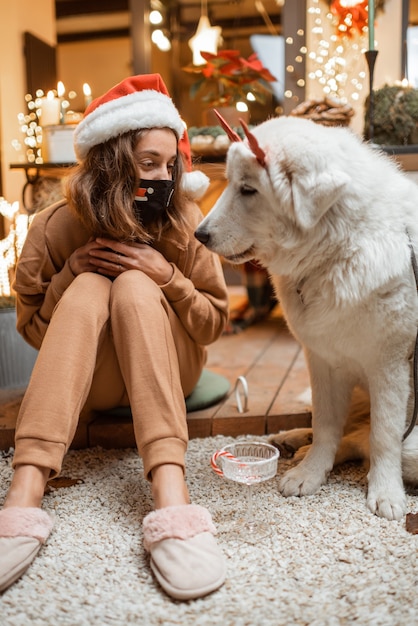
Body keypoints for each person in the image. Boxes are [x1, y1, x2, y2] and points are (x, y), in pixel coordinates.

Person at [0, 74, 229, 601]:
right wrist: (69, 273)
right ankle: (25, 490)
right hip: (95, 383)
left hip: (174, 366)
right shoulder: (56, 227)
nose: (164, 177)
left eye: (170, 165)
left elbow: (213, 322)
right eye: (149, 164)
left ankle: (171, 490)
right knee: (85, 287)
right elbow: (33, 330)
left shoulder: (181, 219)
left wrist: (165, 277)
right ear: (111, 160)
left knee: (132, 285)